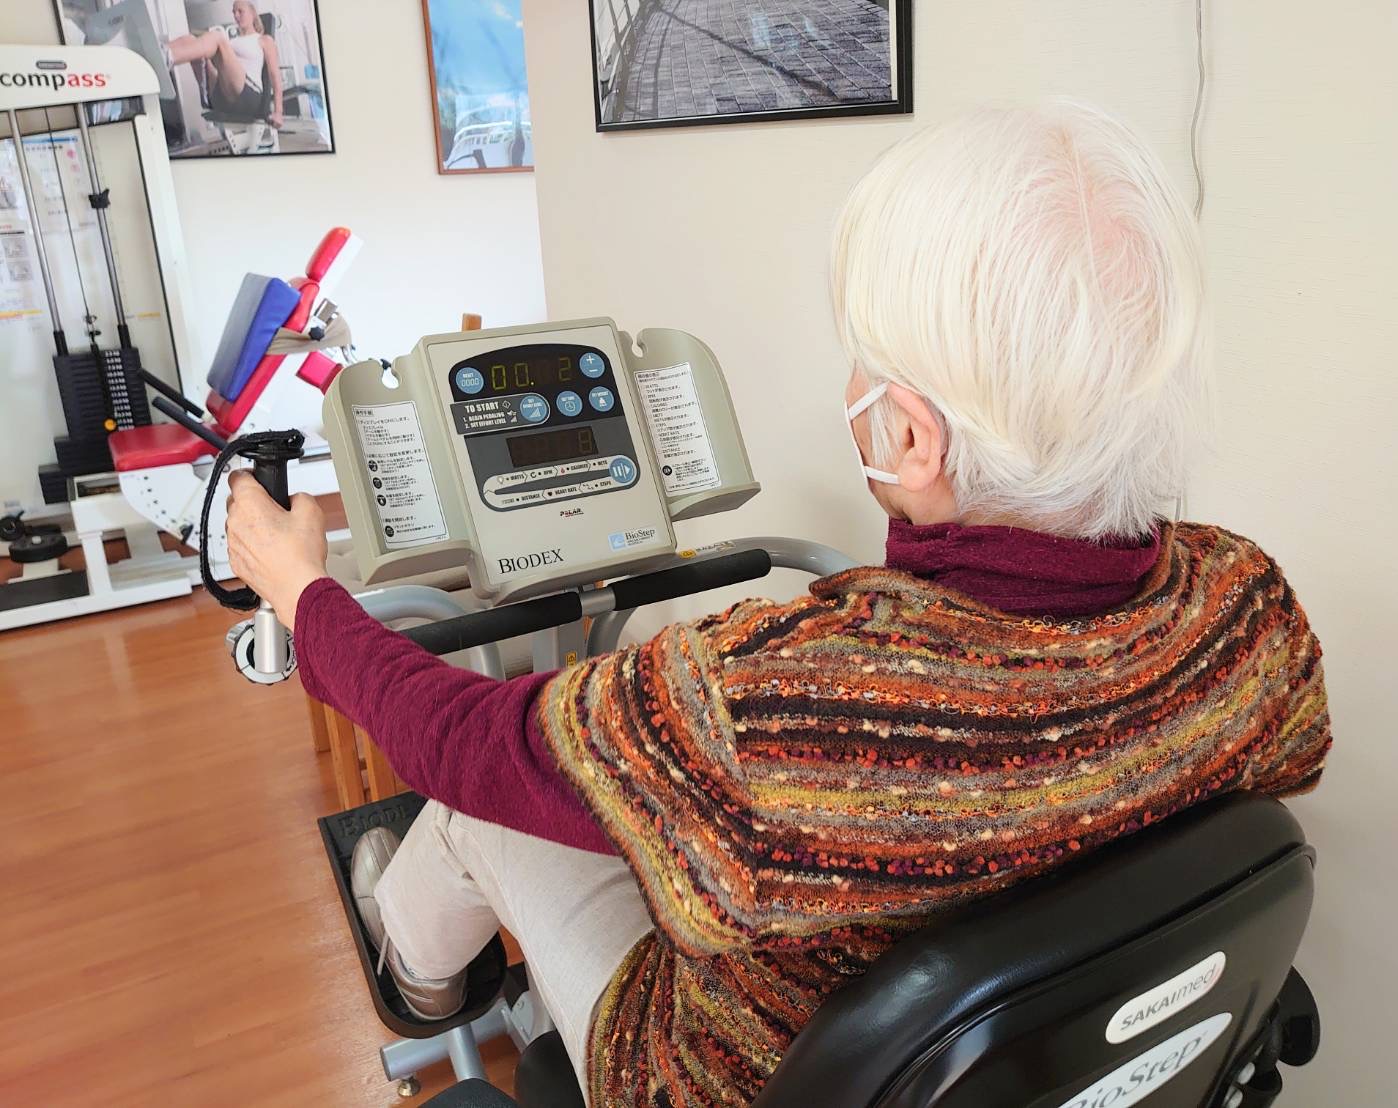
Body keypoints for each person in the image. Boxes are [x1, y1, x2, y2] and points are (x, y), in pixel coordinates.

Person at [224, 102, 1332, 1106]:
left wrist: (305, 593)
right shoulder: (1250, 613)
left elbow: (459, 738)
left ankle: (419, 982)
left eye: (863, 368)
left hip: (710, 1076)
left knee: (478, 806)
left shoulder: (783, 706)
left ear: (912, 437)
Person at [163, 0, 284, 131]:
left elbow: (275, 75)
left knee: (217, 37)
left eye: (240, 11)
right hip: (222, 95)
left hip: (248, 95)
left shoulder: (264, 40)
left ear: (252, 13)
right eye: (234, 12)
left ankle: (169, 56)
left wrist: (278, 112)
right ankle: (162, 52)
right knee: (191, 39)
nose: (236, 15)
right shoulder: (232, 41)